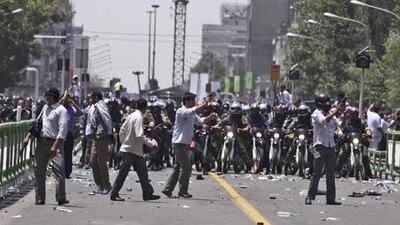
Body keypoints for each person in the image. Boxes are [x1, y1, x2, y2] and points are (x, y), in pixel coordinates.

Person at [162, 92, 218, 198]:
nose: (194, 102)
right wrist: (205, 103)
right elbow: (194, 110)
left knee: (178, 167)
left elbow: (200, 121)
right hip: (179, 143)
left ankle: (168, 189)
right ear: (187, 101)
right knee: (186, 167)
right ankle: (183, 191)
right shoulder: (182, 111)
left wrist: (210, 118)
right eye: (193, 100)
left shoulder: (191, 114)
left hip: (185, 143)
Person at [23, 88, 69, 205]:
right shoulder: (45, 108)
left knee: (58, 171)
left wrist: (55, 146)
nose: (46, 98)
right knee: (39, 171)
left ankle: (61, 197)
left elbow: (63, 131)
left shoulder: (61, 110)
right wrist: (28, 137)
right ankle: (39, 198)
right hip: (41, 143)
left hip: (55, 144)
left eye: (48, 96)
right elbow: (36, 124)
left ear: (54, 97)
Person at [110, 98, 160, 201]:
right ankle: (114, 193)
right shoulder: (139, 118)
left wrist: (124, 142)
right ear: (145, 108)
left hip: (134, 150)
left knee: (143, 173)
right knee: (123, 174)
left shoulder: (131, 116)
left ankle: (147, 193)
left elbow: (122, 131)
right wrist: (151, 144)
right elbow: (139, 135)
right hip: (131, 151)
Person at [305, 94, 343, 205]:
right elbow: (323, 121)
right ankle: (310, 196)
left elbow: (340, 125)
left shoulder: (331, 114)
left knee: (330, 174)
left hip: (331, 146)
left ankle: (330, 199)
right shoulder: (316, 114)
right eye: (325, 102)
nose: (327, 104)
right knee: (317, 172)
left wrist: (344, 115)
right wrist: (335, 112)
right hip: (319, 147)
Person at [89, 92, 113, 194]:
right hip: (95, 136)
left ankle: (106, 185)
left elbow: (107, 119)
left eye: (92, 97)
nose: (90, 99)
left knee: (101, 162)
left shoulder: (101, 106)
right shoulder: (93, 107)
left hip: (102, 136)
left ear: (96, 98)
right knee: (93, 161)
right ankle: (99, 184)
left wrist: (109, 133)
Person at [62, 94, 83, 178]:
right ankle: (61, 171)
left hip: (70, 134)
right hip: (61, 134)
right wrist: (62, 100)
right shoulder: (60, 108)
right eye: (66, 99)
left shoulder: (72, 109)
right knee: (61, 154)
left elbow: (80, 113)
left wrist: (74, 104)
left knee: (68, 154)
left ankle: (67, 172)